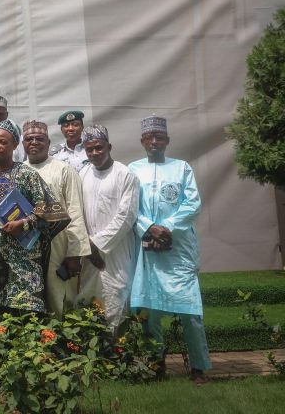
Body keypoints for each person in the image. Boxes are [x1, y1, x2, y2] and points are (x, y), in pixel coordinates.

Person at [128, 115, 211, 382]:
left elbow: (192, 203)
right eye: (149, 137)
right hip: (147, 249)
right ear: (142, 141)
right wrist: (149, 227)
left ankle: (198, 367)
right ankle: (156, 363)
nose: (154, 141)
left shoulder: (181, 168)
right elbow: (129, 207)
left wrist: (168, 227)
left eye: (159, 137)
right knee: (149, 310)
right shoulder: (132, 170)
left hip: (179, 249)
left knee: (191, 310)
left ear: (167, 141)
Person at [0, 121, 67, 314]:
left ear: (15, 145)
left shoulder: (28, 174)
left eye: (3, 142)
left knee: (27, 311)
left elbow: (49, 209)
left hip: (25, 253)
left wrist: (24, 224)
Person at [21, 120, 91, 317]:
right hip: (27, 246)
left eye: (39, 138)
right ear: (23, 143)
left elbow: (75, 211)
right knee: (30, 300)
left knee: (60, 298)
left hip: (59, 245)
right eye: (29, 139)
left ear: (48, 142)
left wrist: (74, 254)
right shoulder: (19, 170)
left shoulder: (63, 170)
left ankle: (64, 335)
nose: (34, 142)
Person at [77, 124, 140, 331]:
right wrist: (86, 244)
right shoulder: (83, 173)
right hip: (88, 254)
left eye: (99, 148)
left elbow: (127, 216)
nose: (94, 153)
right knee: (88, 302)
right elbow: (77, 211)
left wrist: (96, 243)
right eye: (89, 149)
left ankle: (118, 349)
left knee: (117, 297)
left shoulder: (125, 174)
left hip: (116, 252)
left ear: (109, 147)